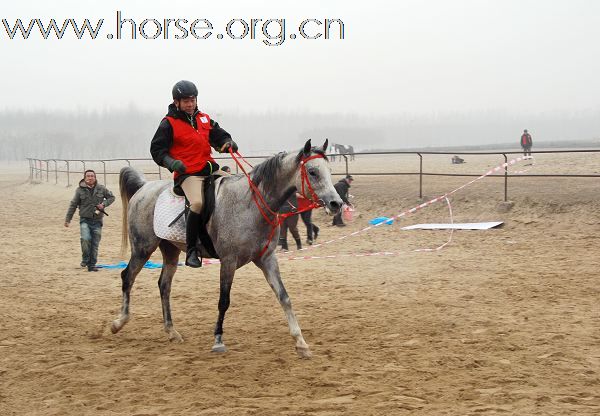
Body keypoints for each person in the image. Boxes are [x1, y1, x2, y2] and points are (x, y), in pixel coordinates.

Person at [150, 80, 238, 268]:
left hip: (210, 168)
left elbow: (218, 135)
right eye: (186, 101)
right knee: (197, 203)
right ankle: (192, 250)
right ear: (177, 102)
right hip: (188, 174)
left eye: (192, 100)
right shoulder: (168, 123)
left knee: (237, 188)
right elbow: (157, 149)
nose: (190, 104)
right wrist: (171, 163)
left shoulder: (204, 119)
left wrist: (227, 141)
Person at [64, 170, 115, 272]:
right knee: (85, 239)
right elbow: (73, 205)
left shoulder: (101, 188)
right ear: (84, 178)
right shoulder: (79, 190)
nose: (90, 178)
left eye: (92, 176)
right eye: (88, 176)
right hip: (85, 220)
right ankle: (85, 259)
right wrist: (68, 219)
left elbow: (112, 197)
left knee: (95, 244)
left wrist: (104, 204)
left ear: (95, 177)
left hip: (97, 221)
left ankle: (92, 265)